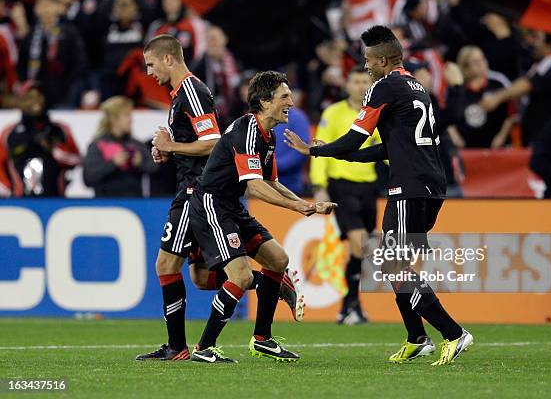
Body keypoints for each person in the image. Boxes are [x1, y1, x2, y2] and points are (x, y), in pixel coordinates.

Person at [284, 25, 473, 366]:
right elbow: (389, 147)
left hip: (409, 187)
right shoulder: (416, 87)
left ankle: (454, 333)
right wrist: (335, 153)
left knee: (393, 263)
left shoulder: (383, 88)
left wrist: (317, 151)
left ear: (384, 60)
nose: (365, 66)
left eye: (368, 59)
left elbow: (357, 138)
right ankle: (417, 338)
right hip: (429, 184)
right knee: (394, 264)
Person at [135, 36, 303, 362]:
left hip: (196, 193)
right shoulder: (180, 96)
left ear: (168, 59)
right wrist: (168, 151)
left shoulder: (192, 92)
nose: (149, 72)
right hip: (197, 190)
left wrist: (172, 148)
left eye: (151, 64)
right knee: (200, 278)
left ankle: (179, 347)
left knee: (166, 265)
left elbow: (212, 142)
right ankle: (270, 283)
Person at [188, 71, 336, 363]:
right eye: (284, 96)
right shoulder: (247, 131)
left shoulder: (267, 136)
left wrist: (306, 204)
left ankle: (262, 339)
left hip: (231, 206)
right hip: (212, 206)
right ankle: (204, 348)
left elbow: (271, 181)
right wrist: (296, 209)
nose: (291, 102)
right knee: (241, 276)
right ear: (265, 102)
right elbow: (254, 187)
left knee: (278, 260)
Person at [310, 65, 381, 324]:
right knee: (358, 242)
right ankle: (352, 306)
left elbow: (386, 149)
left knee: (359, 249)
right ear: (347, 86)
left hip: (369, 187)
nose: (362, 86)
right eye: (357, 81)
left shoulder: (375, 115)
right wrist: (319, 185)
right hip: (341, 184)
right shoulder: (333, 112)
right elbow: (320, 148)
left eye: (366, 81)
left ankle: (349, 306)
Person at [480, 31, 551, 145]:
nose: (532, 43)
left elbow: (527, 84)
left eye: (537, 39)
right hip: (540, 131)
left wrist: (497, 97)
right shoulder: (546, 62)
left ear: (549, 46)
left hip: (547, 134)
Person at [0, 82, 80, 197]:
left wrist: (55, 150)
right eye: (30, 97)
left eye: (39, 96)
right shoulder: (10, 133)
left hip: (55, 200)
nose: (36, 100)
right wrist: (8, 190)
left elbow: (77, 160)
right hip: (20, 202)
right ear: (21, 101)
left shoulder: (59, 129)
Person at [83, 96, 156, 197]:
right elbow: (88, 178)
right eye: (126, 115)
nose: (131, 120)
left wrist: (140, 163)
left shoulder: (137, 144)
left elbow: (154, 168)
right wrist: (113, 163)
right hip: (106, 204)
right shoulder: (98, 145)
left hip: (135, 204)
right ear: (114, 119)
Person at [450, 45, 516, 149]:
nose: (482, 64)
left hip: (497, 147)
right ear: (465, 66)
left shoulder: (498, 83)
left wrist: (502, 136)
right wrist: (455, 137)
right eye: (475, 62)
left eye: (483, 59)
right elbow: (448, 117)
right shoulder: (457, 89)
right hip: (467, 149)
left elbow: (512, 114)